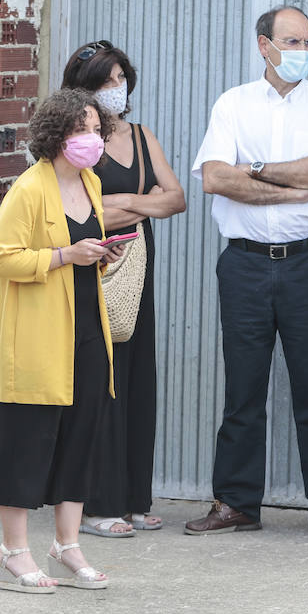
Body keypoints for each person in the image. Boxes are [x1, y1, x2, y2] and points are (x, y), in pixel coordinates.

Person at [186, 5, 308, 540]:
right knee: (243, 388)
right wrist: (293, 185)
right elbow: (215, 177)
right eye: (291, 41)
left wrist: (257, 169)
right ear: (263, 45)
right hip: (244, 265)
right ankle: (236, 502)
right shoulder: (233, 104)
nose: (302, 52)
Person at [0, 89, 122, 593]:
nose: (91, 139)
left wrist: (101, 254)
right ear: (56, 134)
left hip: (88, 328)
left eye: (95, 129)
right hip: (41, 338)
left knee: (80, 437)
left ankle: (66, 544)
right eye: (80, 129)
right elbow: (3, 259)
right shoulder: (28, 188)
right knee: (27, 440)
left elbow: (82, 250)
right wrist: (65, 256)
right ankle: (13, 550)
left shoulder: (90, 181)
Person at [61, 40, 186, 536]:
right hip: (91, 265)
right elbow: (80, 211)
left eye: (120, 78)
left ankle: (133, 497)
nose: (116, 88)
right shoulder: (73, 140)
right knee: (98, 380)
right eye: (104, 81)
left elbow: (175, 199)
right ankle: (96, 504)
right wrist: (141, 199)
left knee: (136, 376)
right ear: (82, 88)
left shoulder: (140, 135)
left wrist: (122, 201)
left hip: (136, 267)